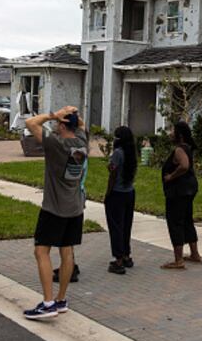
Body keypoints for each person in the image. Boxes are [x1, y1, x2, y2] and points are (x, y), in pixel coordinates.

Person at [23, 106, 88, 319]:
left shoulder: (55, 144)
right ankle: (61, 299)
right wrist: (74, 117)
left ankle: (48, 302)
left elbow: (31, 123)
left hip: (54, 208)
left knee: (41, 251)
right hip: (75, 208)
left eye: (58, 123)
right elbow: (81, 126)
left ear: (61, 125)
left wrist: (53, 114)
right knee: (67, 252)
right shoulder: (82, 142)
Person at [161, 121, 202, 270]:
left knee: (175, 222)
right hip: (189, 190)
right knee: (186, 220)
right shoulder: (188, 148)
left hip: (178, 192)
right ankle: (194, 254)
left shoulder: (179, 150)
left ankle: (178, 260)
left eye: (173, 131)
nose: (171, 133)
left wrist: (171, 176)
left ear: (180, 135)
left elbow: (184, 165)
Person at [104, 126, 137, 274]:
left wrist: (107, 193)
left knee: (116, 227)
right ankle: (126, 255)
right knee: (126, 225)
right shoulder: (131, 153)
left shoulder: (117, 153)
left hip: (117, 193)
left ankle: (118, 260)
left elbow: (113, 174)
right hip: (129, 191)